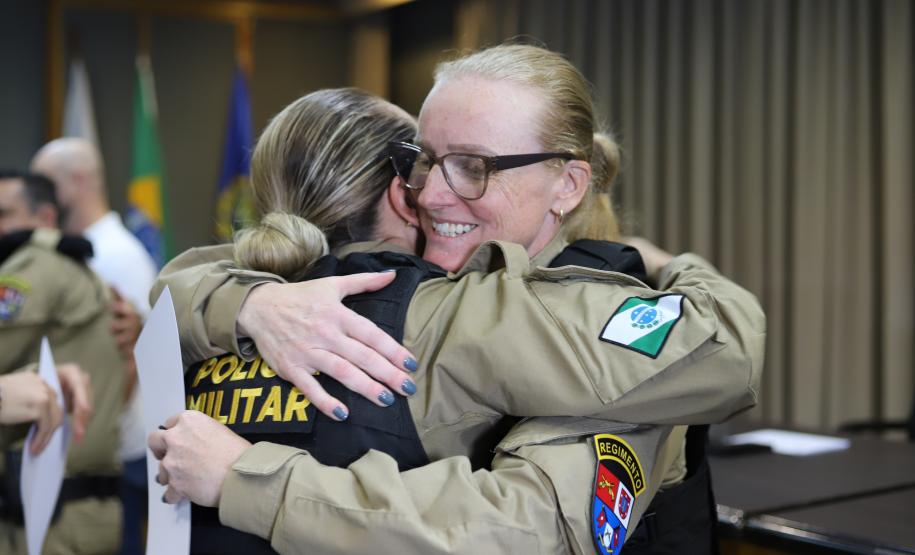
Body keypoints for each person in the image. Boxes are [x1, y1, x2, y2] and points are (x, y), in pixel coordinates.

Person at [151, 58, 762, 555]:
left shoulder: (212, 312)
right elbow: (527, 528)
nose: (435, 191)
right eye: (424, 161)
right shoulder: (468, 316)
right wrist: (673, 266)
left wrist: (248, 302)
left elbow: (172, 286)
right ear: (400, 189)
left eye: (475, 167)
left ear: (569, 185)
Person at [32, 138, 158, 555]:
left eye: (48, 185)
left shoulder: (114, 255)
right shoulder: (79, 250)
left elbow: (130, 358)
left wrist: (87, 440)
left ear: (80, 180)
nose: (41, 199)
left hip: (115, 451)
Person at [0, 170, 125, 554]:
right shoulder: (79, 266)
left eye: (4, 214)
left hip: (50, 511)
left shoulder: (35, 266)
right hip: (84, 504)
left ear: (46, 217)